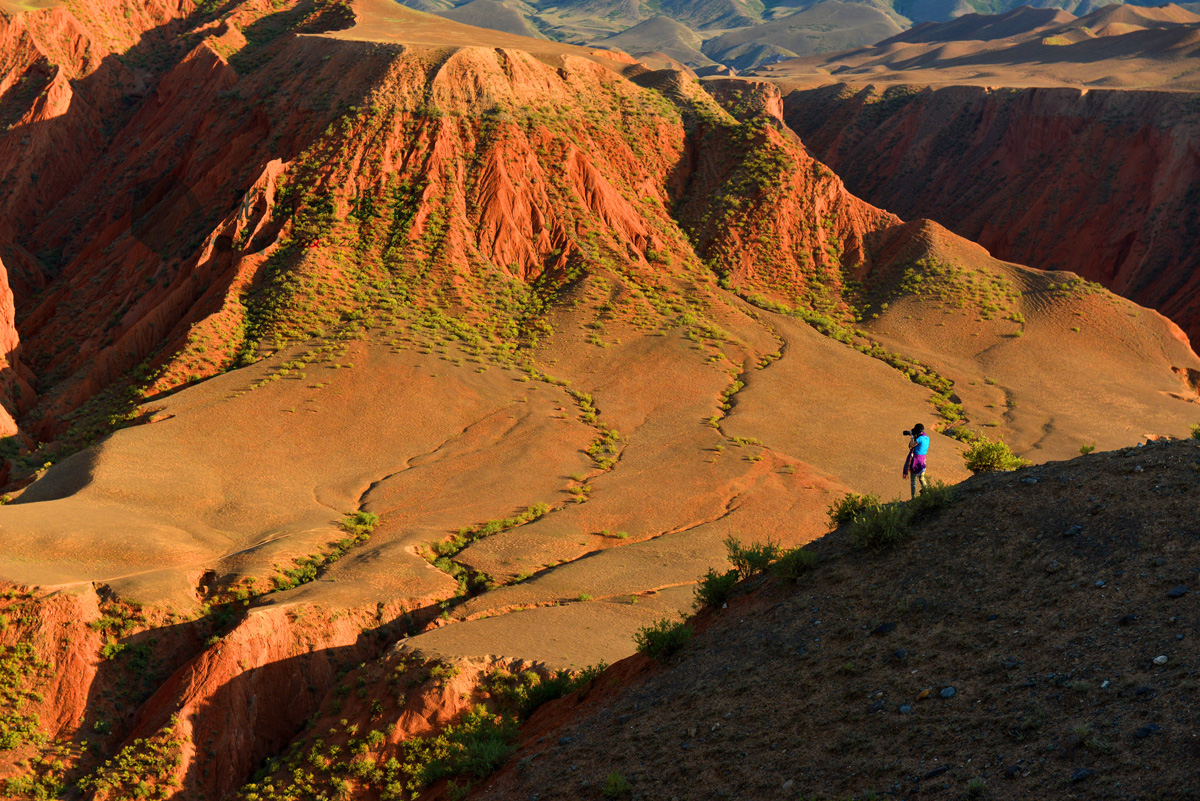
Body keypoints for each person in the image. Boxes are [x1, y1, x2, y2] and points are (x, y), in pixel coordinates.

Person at [903, 423, 930, 498]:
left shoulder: (919, 438)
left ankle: (913, 497)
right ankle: (928, 493)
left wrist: (912, 437)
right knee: (922, 478)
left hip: (915, 460)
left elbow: (911, 445)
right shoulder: (927, 437)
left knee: (913, 481)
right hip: (922, 461)